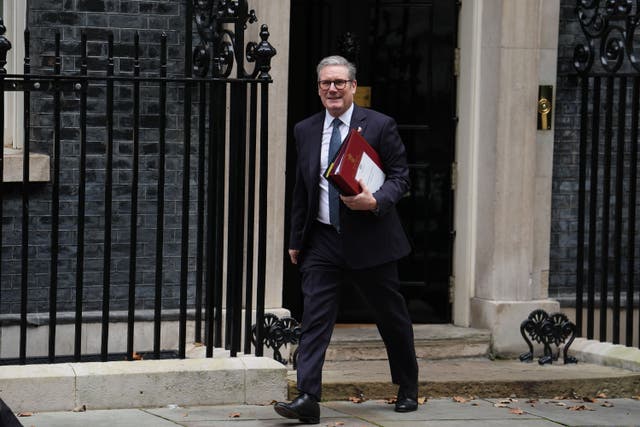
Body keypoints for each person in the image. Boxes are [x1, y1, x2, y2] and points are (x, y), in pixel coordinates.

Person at [274, 55, 419, 424]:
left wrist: (375, 201)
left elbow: (402, 178)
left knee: (391, 317)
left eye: (339, 82)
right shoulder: (305, 130)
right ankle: (308, 396)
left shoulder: (380, 125)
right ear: (318, 88)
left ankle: (407, 385)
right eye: (325, 83)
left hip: (371, 237)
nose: (332, 89)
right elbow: (302, 190)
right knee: (315, 318)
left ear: (353, 87)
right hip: (321, 239)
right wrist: (295, 239)